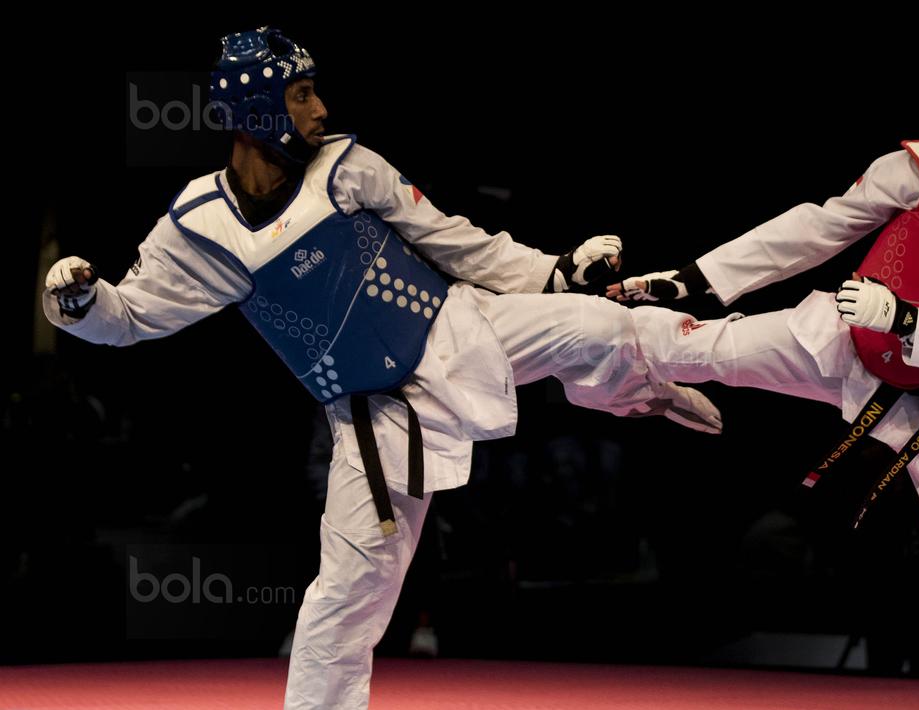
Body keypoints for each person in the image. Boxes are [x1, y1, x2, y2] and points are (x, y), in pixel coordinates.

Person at [43, 27, 721, 710]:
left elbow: (457, 241)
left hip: (457, 330)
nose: (320, 110)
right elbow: (128, 318)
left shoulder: (349, 166)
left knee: (602, 324)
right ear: (257, 110)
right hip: (376, 417)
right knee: (346, 596)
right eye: (302, 95)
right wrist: (79, 302)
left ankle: (638, 397)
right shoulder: (198, 227)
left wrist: (552, 272)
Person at [609, 37, 919, 710]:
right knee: (696, 347)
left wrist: (909, 323)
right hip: (839, 344)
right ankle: (548, 340)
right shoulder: (912, 169)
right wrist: (699, 279)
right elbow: (814, 230)